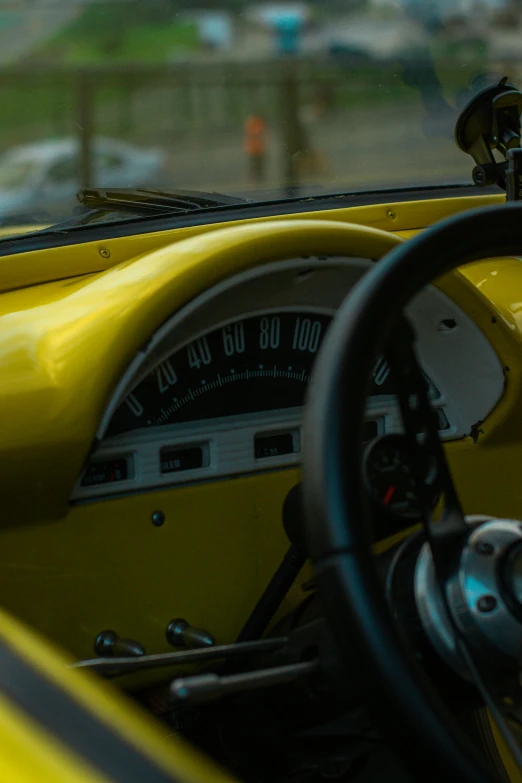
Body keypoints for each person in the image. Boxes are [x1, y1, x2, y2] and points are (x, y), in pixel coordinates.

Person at [244, 114, 267, 184]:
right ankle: (255, 178)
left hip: (257, 148)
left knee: (257, 164)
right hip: (255, 148)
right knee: (255, 164)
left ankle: (257, 178)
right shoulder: (255, 123)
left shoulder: (254, 122)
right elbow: (255, 133)